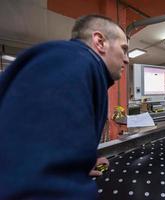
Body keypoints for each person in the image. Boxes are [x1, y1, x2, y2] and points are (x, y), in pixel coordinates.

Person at [0, 15, 129, 199]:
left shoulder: (85, 70)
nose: (127, 60)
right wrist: (64, 181)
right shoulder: (70, 61)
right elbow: (37, 184)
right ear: (100, 42)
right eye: (124, 49)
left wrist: (80, 163)